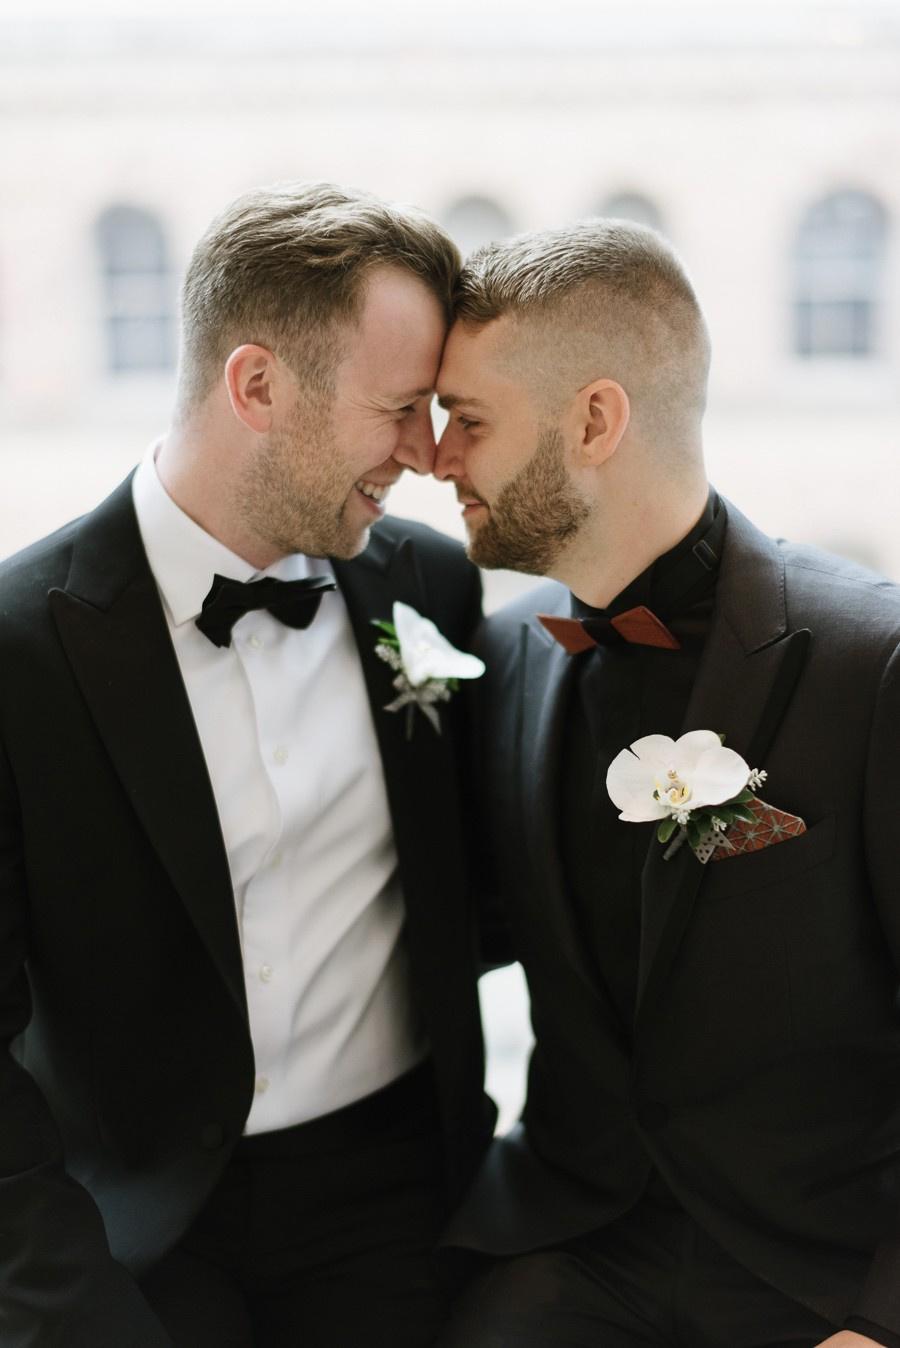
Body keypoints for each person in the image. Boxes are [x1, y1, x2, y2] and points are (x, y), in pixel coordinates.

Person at [0, 182, 496, 1348]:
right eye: (400, 409)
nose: (425, 455)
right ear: (257, 385)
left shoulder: (429, 588)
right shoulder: (18, 648)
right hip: (131, 1222)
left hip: (398, 1196)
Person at [431, 218, 900, 1348]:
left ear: (595, 419)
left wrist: (882, 1319)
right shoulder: (503, 656)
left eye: (469, 420)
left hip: (820, 1273)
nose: (435, 456)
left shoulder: (873, 663)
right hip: (566, 1255)